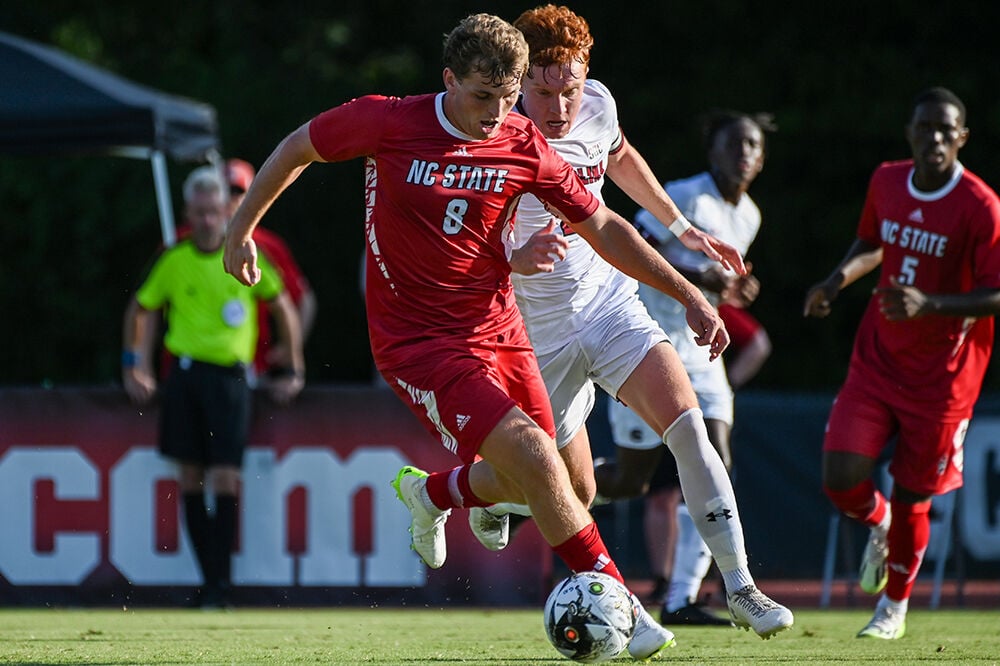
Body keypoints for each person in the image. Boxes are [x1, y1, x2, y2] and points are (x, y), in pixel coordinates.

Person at [221, 12, 737, 659]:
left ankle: (431, 492)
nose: (495, 113)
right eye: (480, 97)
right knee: (535, 460)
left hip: (502, 328)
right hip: (421, 342)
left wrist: (686, 291)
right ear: (448, 80)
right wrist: (241, 228)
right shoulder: (391, 120)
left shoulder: (521, 140)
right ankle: (622, 605)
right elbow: (300, 144)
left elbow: (603, 225)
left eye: (505, 97)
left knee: (569, 489)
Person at [456, 5, 792, 640]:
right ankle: (468, 493)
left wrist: (681, 227)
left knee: (690, 427)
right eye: (543, 90)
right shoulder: (488, 134)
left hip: (608, 304)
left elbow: (619, 157)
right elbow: (453, 245)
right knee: (557, 487)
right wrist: (512, 255)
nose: (559, 106)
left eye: (571, 88)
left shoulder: (597, 104)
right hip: (533, 333)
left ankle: (741, 587)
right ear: (519, 78)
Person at [804, 86, 1000, 639]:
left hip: (944, 378)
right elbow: (872, 241)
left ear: (962, 137)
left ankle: (892, 608)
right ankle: (878, 520)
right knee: (840, 476)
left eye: (946, 129)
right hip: (878, 358)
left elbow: (996, 291)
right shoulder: (888, 179)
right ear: (910, 133)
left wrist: (929, 303)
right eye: (924, 128)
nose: (934, 138)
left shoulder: (981, 205)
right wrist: (835, 282)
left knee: (915, 493)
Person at [605, 108, 775, 626]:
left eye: (752, 146)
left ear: (762, 160)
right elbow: (630, 248)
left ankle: (685, 597)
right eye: (733, 143)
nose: (743, 154)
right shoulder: (683, 195)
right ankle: (527, 494)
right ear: (713, 150)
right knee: (631, 480)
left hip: (703, 350)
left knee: (714, 461)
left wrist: (734, 292)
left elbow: (721, 290)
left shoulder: (749, 215)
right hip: (647, 339)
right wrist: (703, 278)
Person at [123, 166, 305, 607]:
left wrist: (294, 368)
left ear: (227, 210)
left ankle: (219, 585)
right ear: (189, 212)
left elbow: (283, 304)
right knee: (189, 477)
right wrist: (135, 365)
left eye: (214, 211)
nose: (207, 220)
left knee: (225, 477)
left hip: (231, 378)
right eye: (200, 212)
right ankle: (210, 583)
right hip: (184, 376)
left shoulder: (246, 253)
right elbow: (140, 310)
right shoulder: (174, 258)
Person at [225, 158, 317, 400]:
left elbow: (300, 300)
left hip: (252, 367)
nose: (229, 200)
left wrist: (290, 353)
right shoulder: (185, 244)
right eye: (223, 191)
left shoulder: (266, 246)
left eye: (237, 192)